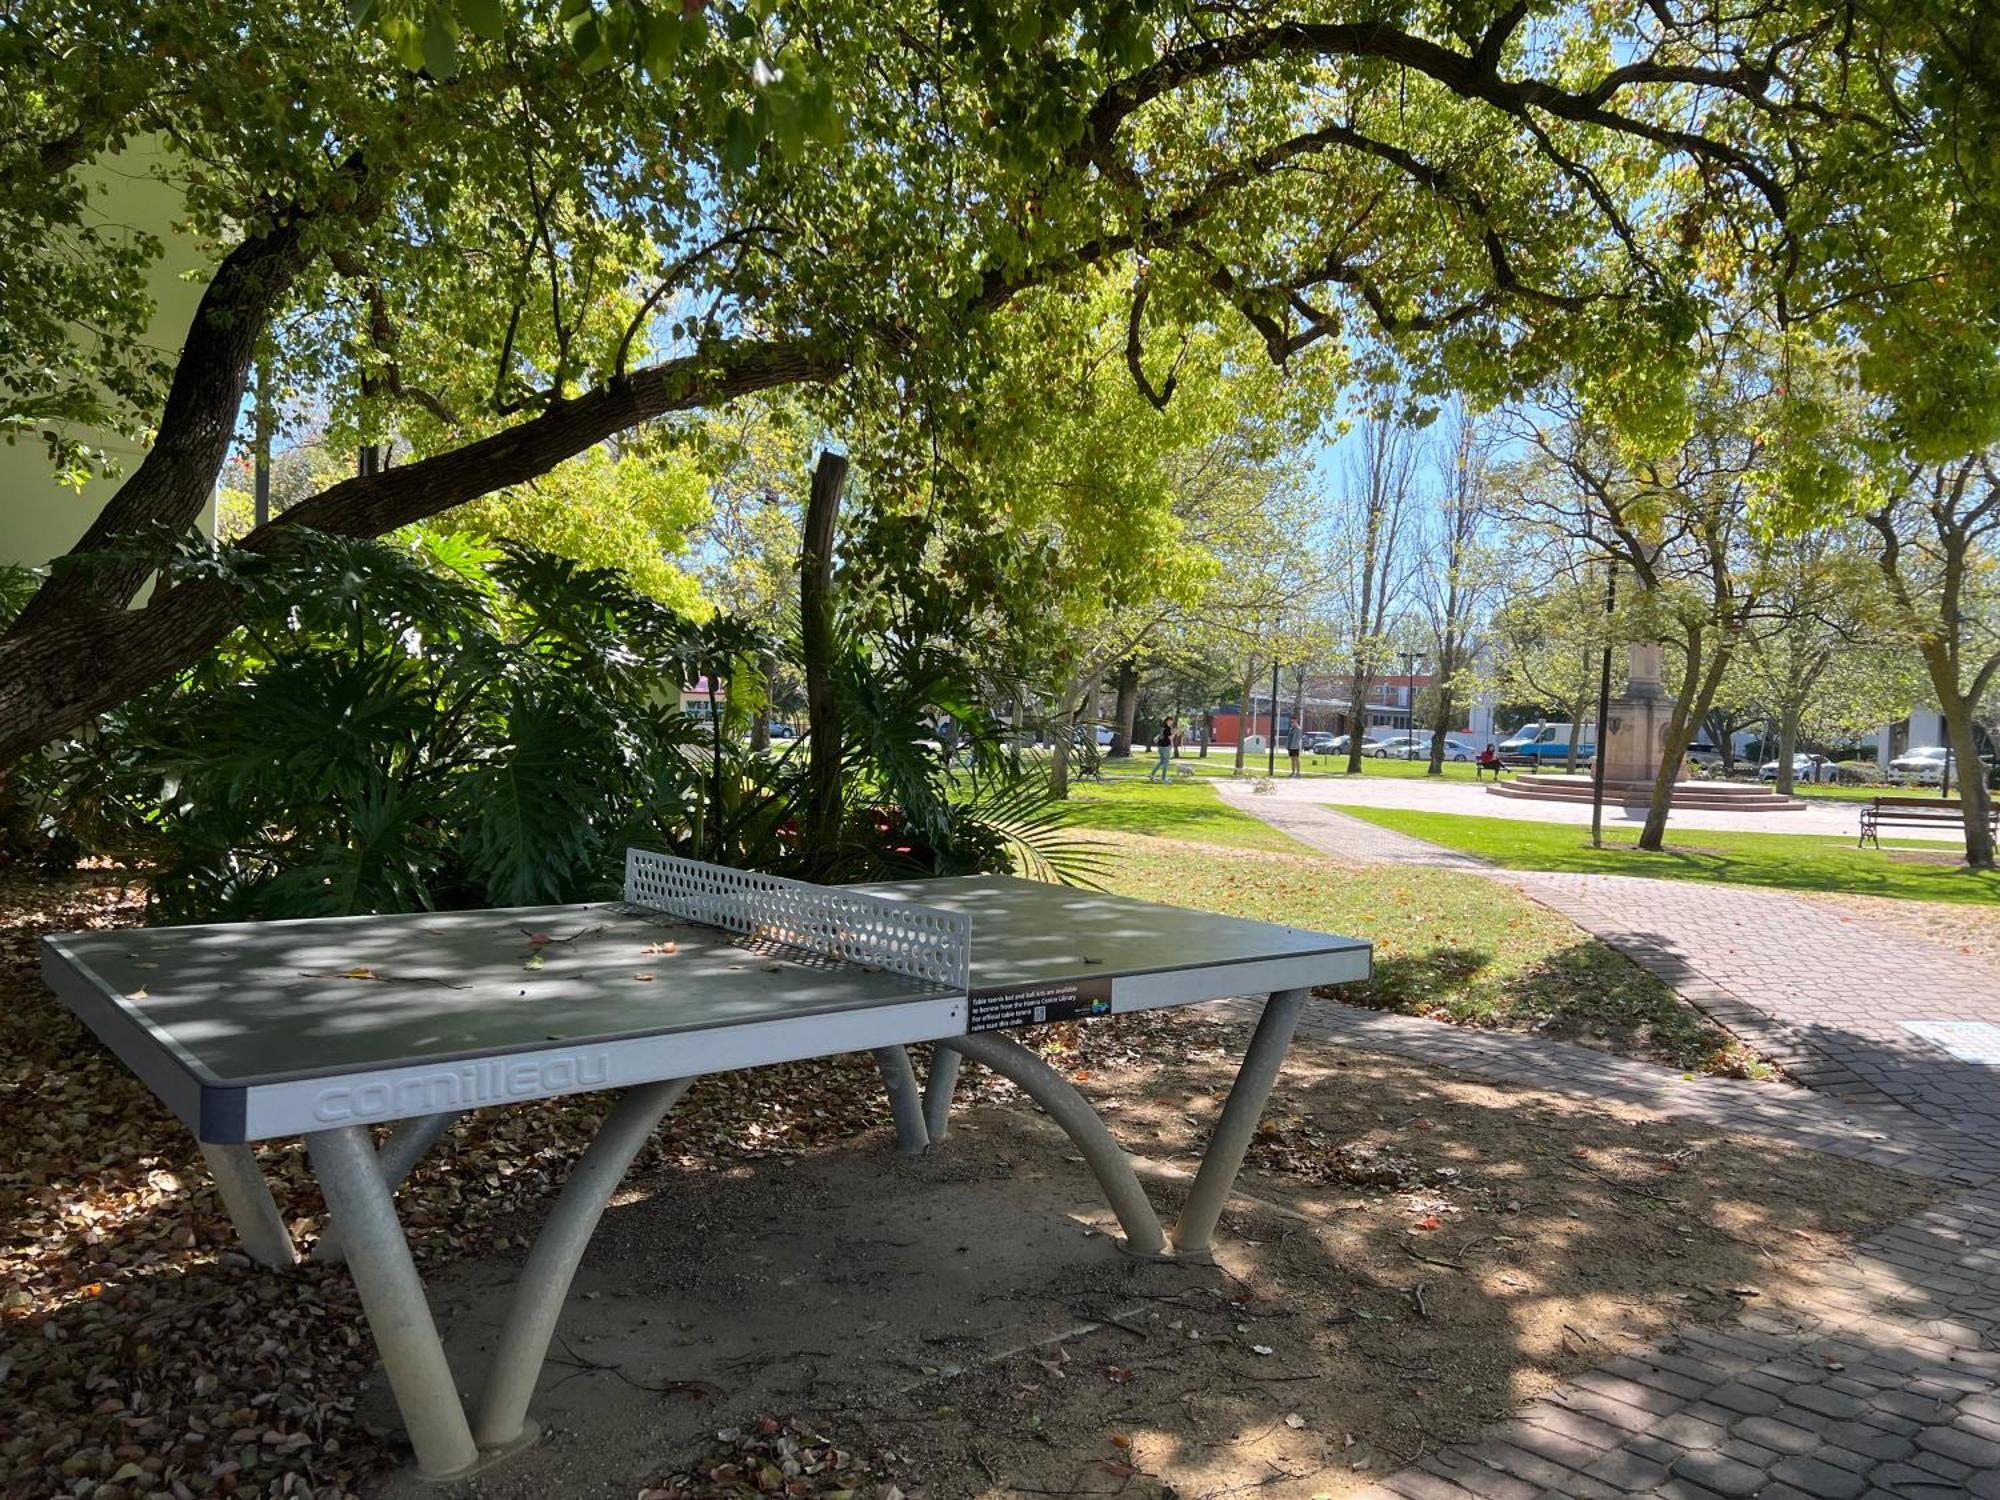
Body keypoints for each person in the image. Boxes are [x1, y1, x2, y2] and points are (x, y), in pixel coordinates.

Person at [1147, 716, 1176, 782]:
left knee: (1162, 762)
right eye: (1171, 721)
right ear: (1168, 721)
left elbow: (1161, 736)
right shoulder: (1167, 728)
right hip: (1165, 747)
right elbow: (1170, 738)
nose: (1172, 722)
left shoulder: (1162, 728)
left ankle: (1152, 774)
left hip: (1160, 746)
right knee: (1165, 763)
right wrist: (1174, 733)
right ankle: (1164, 778)